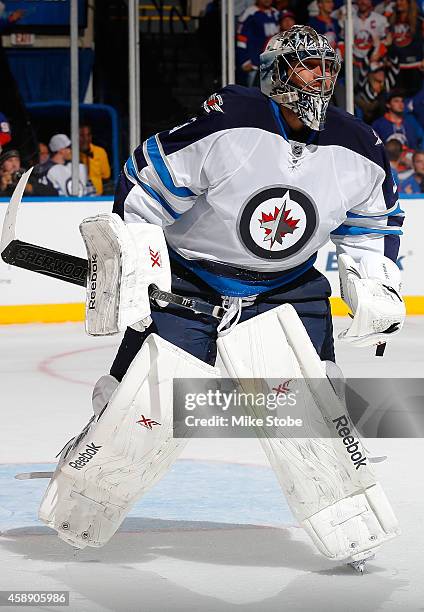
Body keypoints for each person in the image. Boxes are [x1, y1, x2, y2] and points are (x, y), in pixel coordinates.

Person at [43, 26, 406, 562]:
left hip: (289, 289)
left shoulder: (359, 142)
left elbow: (372, 223)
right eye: (308, 66)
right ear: (276, 73)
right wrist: (141, 261)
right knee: (135, 398)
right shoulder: (230, 120)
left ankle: (347, 518)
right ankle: (88, 475)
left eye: (327, 66)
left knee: (318, 402)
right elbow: (145, 189)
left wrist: (375, 281)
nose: (322, 76)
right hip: (194, 278)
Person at [236, 0, 279, 86]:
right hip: (254, 64)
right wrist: (244, 60)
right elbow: (241, 38)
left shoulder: (276, 13)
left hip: (272, 63)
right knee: (252, 94)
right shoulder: (250, 13)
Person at [79, 124, 111, 195]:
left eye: (88, 135)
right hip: (78, 196)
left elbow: (106, 176)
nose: (85, 139)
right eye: (82, 135)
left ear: (91, 137)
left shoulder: (100, 152)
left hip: (98, 197)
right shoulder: (72, 154)